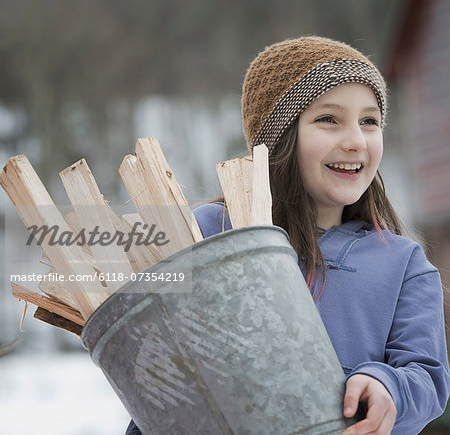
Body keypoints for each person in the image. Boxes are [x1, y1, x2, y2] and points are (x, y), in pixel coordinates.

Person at [126, 36, 450, 435]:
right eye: (328, 119)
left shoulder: (403, 264)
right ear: (279, 138)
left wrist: (389, 388)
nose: (355, 140)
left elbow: (428, 378)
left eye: (370, 121)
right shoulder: (214, 232)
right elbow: (156, 380)